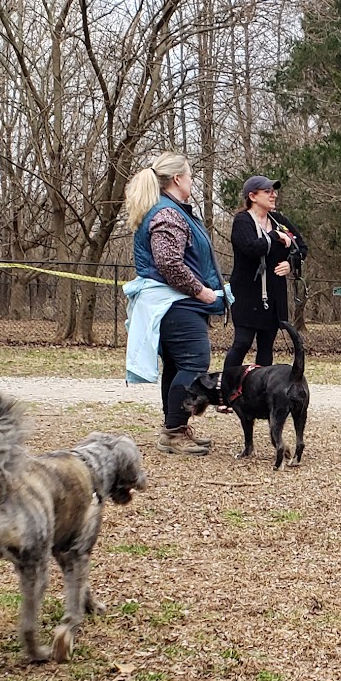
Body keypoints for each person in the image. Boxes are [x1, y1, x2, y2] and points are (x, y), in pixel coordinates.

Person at [121, 151, 227, 455]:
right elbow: (168, 262)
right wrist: (201, 292)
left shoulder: (168, 210)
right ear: (178, 179)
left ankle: (174, 428)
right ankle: (174, 432)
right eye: (190, 175)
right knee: (194, 363)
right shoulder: (168, 213)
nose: (192, 180)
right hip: (178, 304)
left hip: (174, 304)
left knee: (178, 364)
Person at [221, 175, 305, 405]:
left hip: (273, 296)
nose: (273, 195)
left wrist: (291, 264)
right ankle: (226, 392)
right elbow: (251, 247)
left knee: (266, 346)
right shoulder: (242, 221)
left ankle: (261, 395)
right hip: (247, 295)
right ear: (252, 196)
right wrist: (273, 237)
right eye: (268, 191)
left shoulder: (279, 221)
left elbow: (301, 248)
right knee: (242, 342)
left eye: (274, 191)